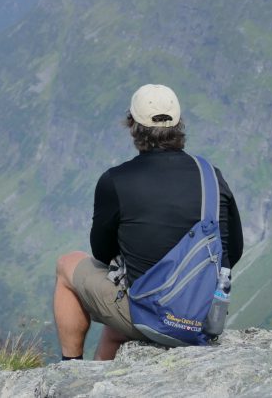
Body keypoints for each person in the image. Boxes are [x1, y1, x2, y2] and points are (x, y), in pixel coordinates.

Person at [52, 84, 244, 360]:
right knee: (115, 329)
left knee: (67, 264)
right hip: (204, 318)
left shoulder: (116, 180)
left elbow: (102, 252)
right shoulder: (211, 176)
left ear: (133, 125)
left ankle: (70, 371)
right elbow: (232, 251)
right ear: (178, 123)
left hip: (153, 317)